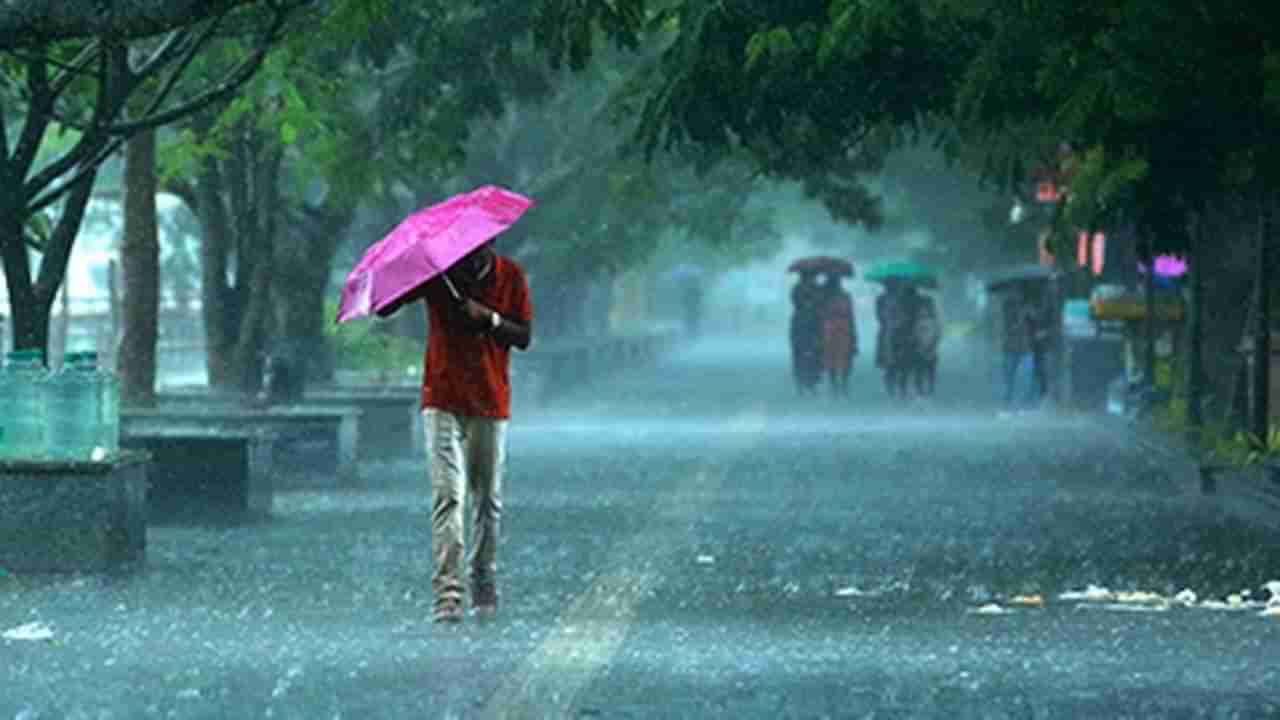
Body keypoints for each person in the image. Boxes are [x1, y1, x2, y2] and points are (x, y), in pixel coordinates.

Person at [376, 240, 533, 624]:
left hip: (490, 400)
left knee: (487, 499)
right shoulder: (438, 274)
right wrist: (402, 271)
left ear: (491, 243)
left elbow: (524, 336)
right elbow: (385, 307)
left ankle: (483, 577)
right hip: (442, 397)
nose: (470, 253)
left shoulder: (510, 275)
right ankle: (447, 592)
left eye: (479, 247)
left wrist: (489, 318)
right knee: (448, 495)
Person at [820, 273, 857, 396]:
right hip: (837, 329)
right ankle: (838, 383)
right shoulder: (828, 297)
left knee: (839, 356)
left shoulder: (839, 297)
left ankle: (838, 383)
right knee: (838, 356)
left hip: (835, 329)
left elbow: (851, 315)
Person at [789, 271, 824, 394]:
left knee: (815, 354)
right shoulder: (797, 289)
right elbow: (795, 302)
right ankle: (800, 382)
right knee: (799, 354)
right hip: (801, 325)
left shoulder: (817, 289)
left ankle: (812, 382)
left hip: (814, 324)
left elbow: (821, 303)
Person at [912, 294, 941, 397]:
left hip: (929, 349)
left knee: (928, 370)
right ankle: (921, 389)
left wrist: (931, 345)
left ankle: (928, 388)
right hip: (922, 349)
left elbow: (937, 335)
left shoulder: (933, 321)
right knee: (921, 370)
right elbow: (915, 334)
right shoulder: (919, 321)